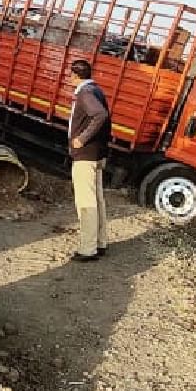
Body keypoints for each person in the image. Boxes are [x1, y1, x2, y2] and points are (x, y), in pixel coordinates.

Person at [67, 59, 111, 262]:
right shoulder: (97, 90)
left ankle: (88, 249)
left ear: (74, 75)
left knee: (86, 202)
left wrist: (81, 139)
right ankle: (100, 242)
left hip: (85, 154)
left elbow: (100, 115)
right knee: (98, 200)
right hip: (97, 154)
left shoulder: (84, 93)